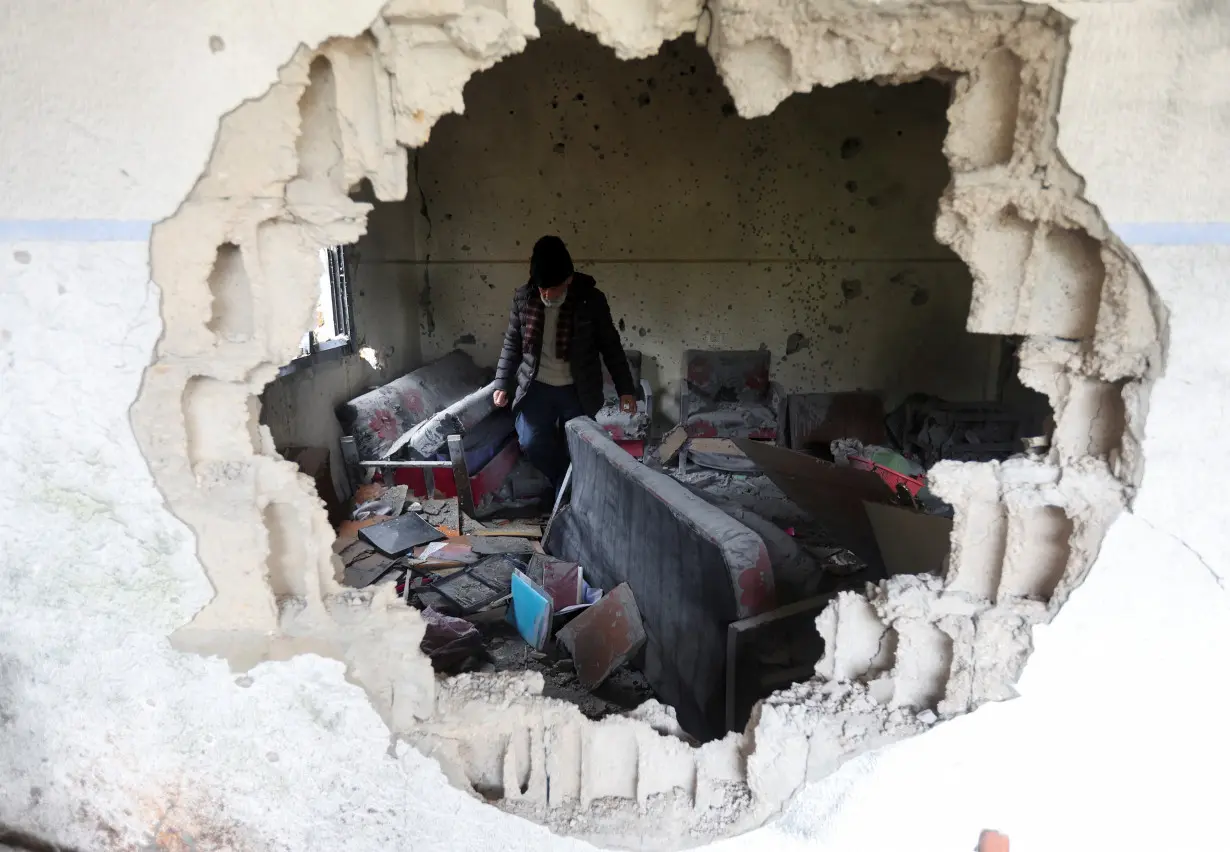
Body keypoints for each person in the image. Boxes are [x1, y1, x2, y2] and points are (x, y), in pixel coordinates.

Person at [493, 235, 637, 491]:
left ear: (569, 279)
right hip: (536, 387)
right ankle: (564, 484)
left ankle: (569, 493)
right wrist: (501, 383)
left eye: (553, 287)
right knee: (531, 442)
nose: (547, 294)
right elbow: (512, 343)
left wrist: (626, 388)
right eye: (541, 287)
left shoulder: (590, 301)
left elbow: (610, 346)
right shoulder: (524, 299)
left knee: (579, 446)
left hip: (577, 389)